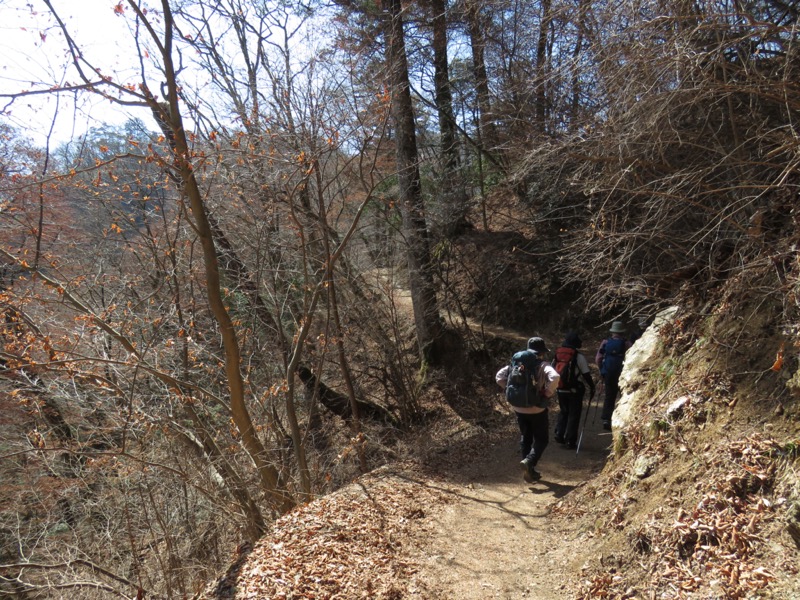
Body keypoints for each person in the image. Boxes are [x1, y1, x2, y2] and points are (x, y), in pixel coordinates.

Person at [496, 336, 560, 482]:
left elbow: (499, 377)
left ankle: (529, 471)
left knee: (526, 437)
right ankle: (529, 462)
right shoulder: (542, 365)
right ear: (541, 352)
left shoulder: (515, 363)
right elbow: (555, 377)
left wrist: (510, 388)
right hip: (537, 408)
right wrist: (548, 392)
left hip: (518, 408)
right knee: (542, 439)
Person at [552, 332, 595, 449]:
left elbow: (552, 370)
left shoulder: (558, 354)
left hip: (560, 389)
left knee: (563, 411)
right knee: (574, 415)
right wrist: (592, 387)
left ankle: (559, 434)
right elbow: (586, 374)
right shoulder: (577, 356)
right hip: (574, 390)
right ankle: (570, 441)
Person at [595, 321, 632, 431]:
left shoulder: (606, 342)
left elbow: (598, 358)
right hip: (622, 373)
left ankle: (606, 419)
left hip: (609, 373)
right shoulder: (627, 343)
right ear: (622, 332)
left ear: (612, 331)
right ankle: (622, 419)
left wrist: (602, 369)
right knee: (623, 396)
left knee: (609, 396)